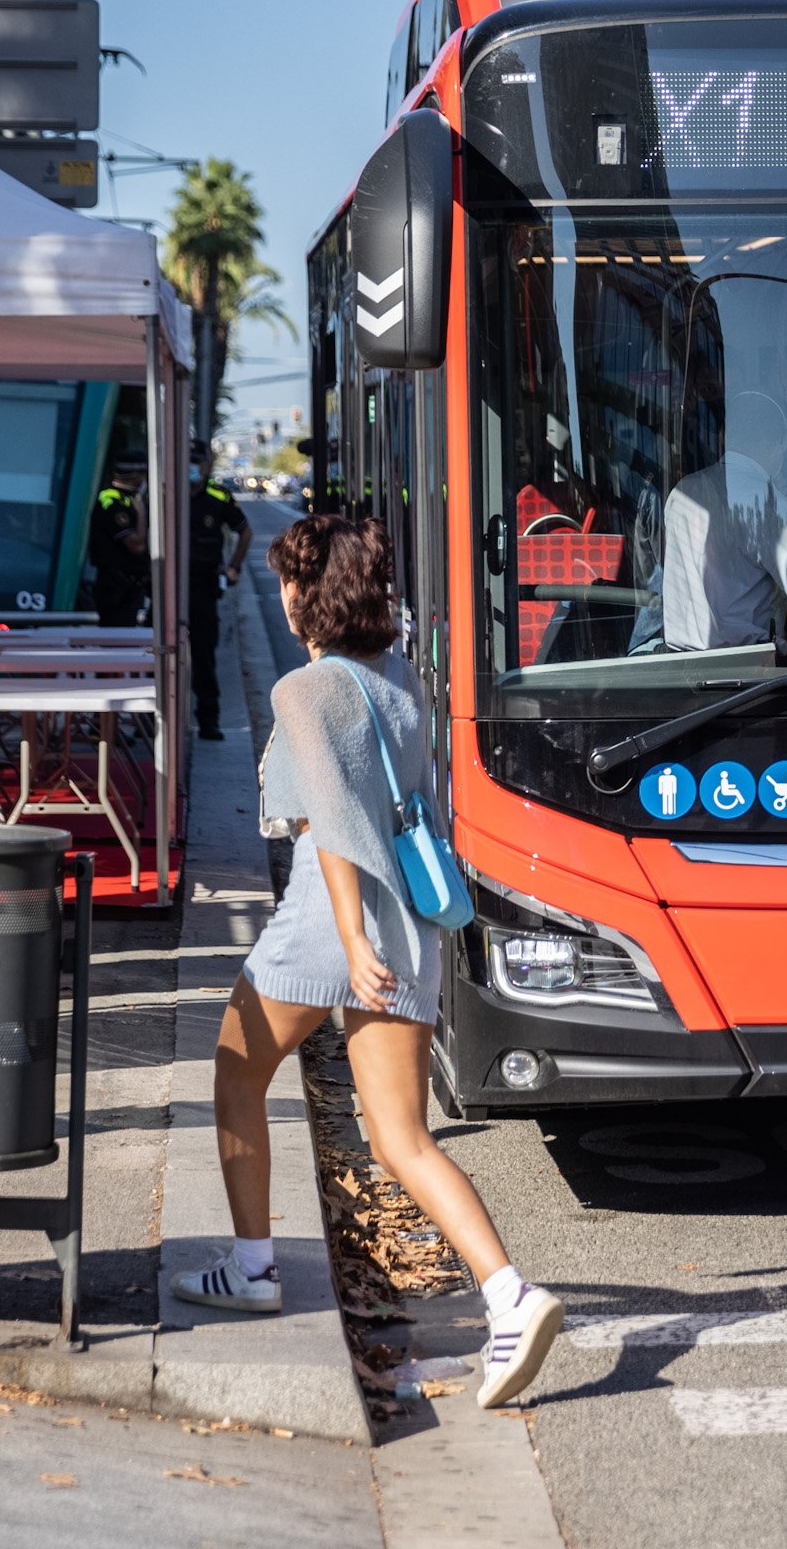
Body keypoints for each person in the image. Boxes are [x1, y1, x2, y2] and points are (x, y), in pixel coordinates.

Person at [173, 513, 562, 1408]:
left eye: (286, 582)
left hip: (331, 920)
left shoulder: (307, 692)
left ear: (308, 594)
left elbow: (335, 830)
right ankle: (511, 1295)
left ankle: (254, 1266)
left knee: (235, 1068)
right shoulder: (399, 684)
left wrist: (347, 940)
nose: (279, 594)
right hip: (410, 925)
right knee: (401, 1137)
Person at [659, 390, 787, 651]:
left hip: (678, 669)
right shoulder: (769, 504)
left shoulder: (682, 493)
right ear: (782, 443)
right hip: (748, 674)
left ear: (723, 436)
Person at [185, 441, 252, 740]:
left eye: (197, 461)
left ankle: (208, 720)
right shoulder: (165, 492)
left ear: (207, 464)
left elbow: (244, 531)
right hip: (169, 584)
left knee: (204, 653)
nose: (192, 466)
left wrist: (234, 567)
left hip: (203, 583)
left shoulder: (217, 495)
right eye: (187, 460)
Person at [87, 456, 151, 628]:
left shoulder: (126, 499)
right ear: (136, 476)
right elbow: (137, 545)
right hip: (117, 587)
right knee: (118, 639)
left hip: (128, 586)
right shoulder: (113, 502)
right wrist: (141, 514)